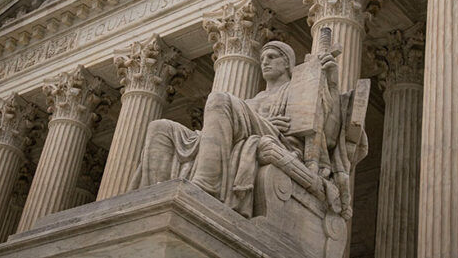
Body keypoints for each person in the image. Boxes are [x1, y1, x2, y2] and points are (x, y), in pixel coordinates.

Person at [132, 41, 364, 218]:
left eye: (272, 57)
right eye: (263, 58)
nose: (265, 62)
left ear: (288, 64)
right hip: (254, 132)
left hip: (280, 139)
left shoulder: (297, 91)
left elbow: (329, 135)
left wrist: (331, 83)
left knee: (220, 99)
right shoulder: (254, 100)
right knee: (160, 128)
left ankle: (206, 185)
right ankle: (150, 202)